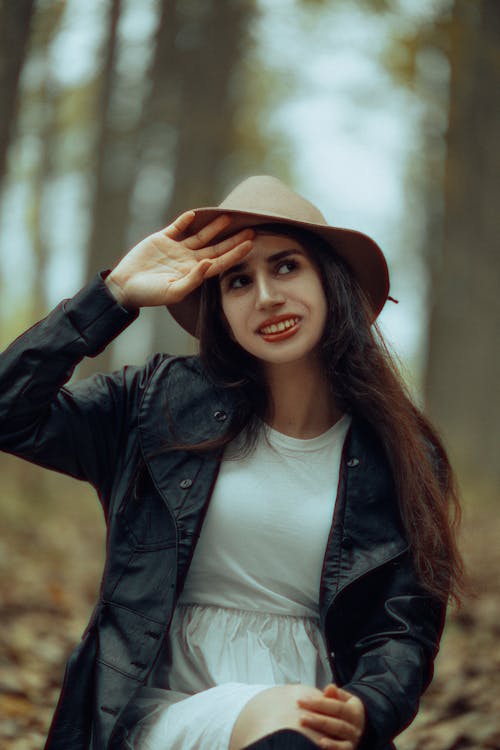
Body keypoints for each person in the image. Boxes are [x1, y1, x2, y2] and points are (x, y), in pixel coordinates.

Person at [0, 175, 465, 750]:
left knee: (297, 722)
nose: (266, 296)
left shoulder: (401, 452)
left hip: (315, 723)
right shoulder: (156, 403)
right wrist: (113, 294)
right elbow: (8, 410)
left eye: (287, 266)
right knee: (288, 716)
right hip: (158, 711)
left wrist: (369, 706)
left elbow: (405, 628)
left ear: (329, 280)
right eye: (238, 280)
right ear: (219, 307)